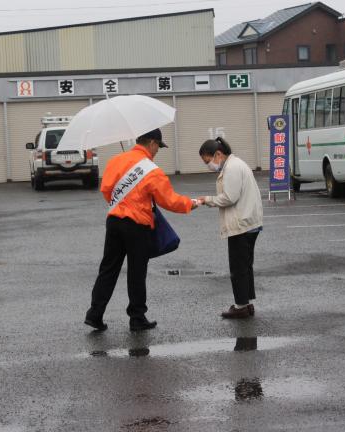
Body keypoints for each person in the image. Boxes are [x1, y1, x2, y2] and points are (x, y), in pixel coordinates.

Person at [85, 128, 198, 332]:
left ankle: (95, 314)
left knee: (108, 269)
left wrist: (122, 204)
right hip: (137, 225)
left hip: (114, 221)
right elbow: (169, 200)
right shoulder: (151, 170)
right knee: (137, 271)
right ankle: (137, 318)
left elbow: (106, 190)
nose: (157, 152)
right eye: (158, 147)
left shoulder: (115, 160)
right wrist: (191, 203)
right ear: (152, 143)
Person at [197, 137, 263, 319]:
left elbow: (229, 197)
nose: (209, 165)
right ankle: (246, 303)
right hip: (248, 221)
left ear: (218, 154)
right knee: (245, 265)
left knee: (238, 266)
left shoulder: (232, 167)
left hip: (241, 224)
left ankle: (241, 306)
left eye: (208, 161)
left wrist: (206, 200)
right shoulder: (235, 164)